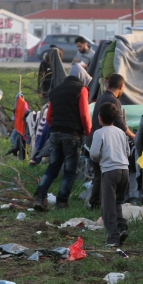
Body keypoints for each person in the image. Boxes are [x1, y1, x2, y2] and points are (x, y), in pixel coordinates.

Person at [31, 75, 92, 211]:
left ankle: (39, 197)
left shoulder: (55, 91)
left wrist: (55, 128)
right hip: (72, 134)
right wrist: (88, 133)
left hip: (54, 132)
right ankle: (62, 202)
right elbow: (84, 114)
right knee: (69, 171)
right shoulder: (81, 89)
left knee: (53, 166)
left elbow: (48, 117)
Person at [85, 74, 135, 210]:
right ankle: (100, 205)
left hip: (95, 141)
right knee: (102, 177)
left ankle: (95, 203)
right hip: (103, 145)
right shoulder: (112, 100)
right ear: (121, 86)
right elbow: (118, 120)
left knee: (98, 177)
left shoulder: (102, 97)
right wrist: (131, 135)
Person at [89, 102, 131, 247]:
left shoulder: (99, 133)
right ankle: (121, 227)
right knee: (118, 202)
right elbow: (128, 152)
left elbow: (94, 153)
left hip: (109, 171)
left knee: (107, 205)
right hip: (124, 170)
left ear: (99, 117)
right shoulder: (120, 132)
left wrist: (100, 159)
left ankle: (113, 237)